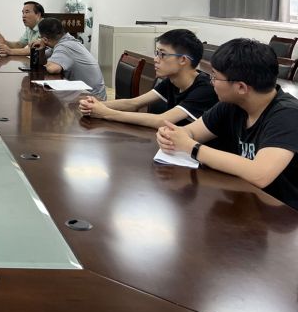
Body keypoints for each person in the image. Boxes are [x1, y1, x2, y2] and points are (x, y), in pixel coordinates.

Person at [157, 38, 298, 210]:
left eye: (215, 77)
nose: (211, 82)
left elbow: (260, 174)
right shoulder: (232, 104)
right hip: (247, 201)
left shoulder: (288, 115)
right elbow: (190, 132)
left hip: (285, 213)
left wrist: (192, 147)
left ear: (241, 87)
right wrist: (170, 136)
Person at [79, 29, 218, 129]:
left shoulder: (205, 89)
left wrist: (106, 113)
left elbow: (163, 120)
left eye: (162, 54)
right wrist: (96, 105)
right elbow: (133, 103)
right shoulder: (172, 80)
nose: (156, 59)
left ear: (183, 60)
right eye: (156, 53)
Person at [34, 17, 106, 100]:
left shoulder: (65, 46)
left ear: (45, 39)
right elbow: (43, 60)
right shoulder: (64, 41)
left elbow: (52, 69)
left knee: (50, 101)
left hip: (93, 97)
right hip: (87, 92)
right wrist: (42, 49)